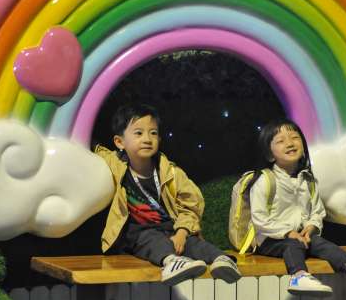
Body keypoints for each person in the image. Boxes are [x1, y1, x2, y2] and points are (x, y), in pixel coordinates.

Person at [96, 104, 241, 286]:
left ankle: (222, 260)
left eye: (153, 133)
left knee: (193, 243)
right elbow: (94, 151)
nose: (147, 139)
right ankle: (171, 262)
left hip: (170, 228)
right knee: (151, 240)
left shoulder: (171, 172)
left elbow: (192, 204)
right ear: (119, 142)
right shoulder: (113, 164)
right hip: (137, 234)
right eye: (138, 133)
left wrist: (181, 232)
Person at [249, 118, 346, 296]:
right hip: (271, 240)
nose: (290, 143)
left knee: (320, 242)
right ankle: (298, 276)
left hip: (301, 237)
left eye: (294, 137)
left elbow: (317, 211)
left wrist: (311, 226)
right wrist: (288, 233)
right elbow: (259, 219)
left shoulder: (308, 180)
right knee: (292, 245)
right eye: (281, 141)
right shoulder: (265, 180)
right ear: (269, 155)